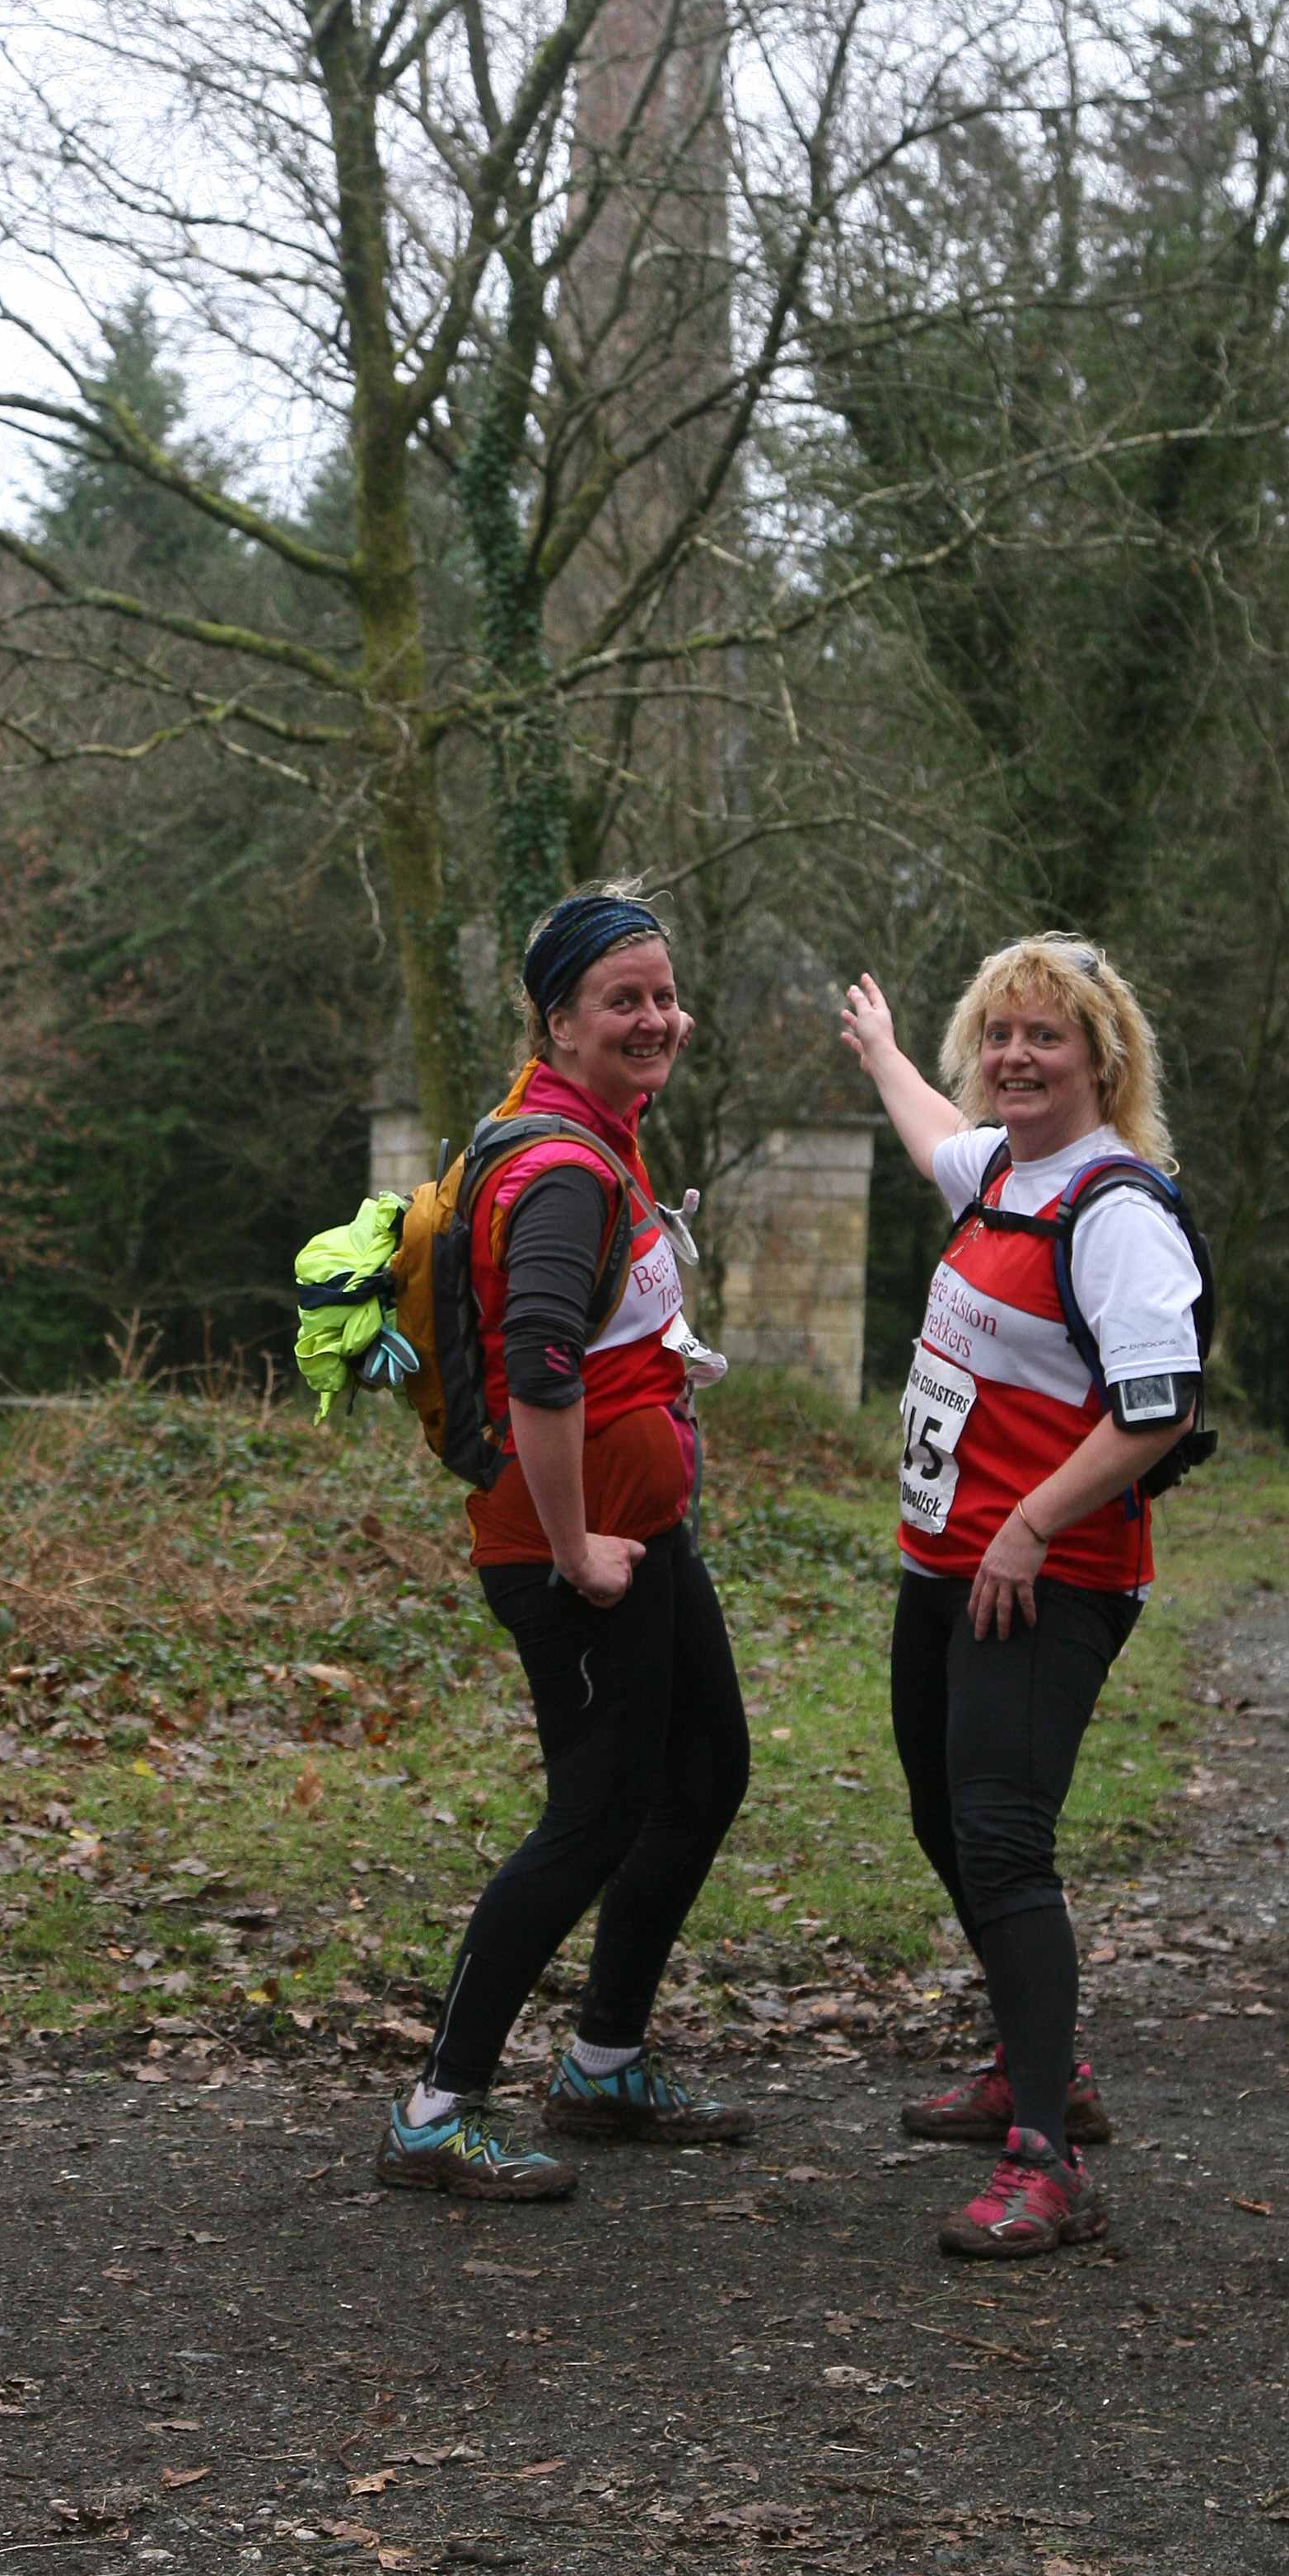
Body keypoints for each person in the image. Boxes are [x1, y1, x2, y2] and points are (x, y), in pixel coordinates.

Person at [376, 886, 751, 2200]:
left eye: (662, 995)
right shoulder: (559, 1170)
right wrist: (578, 1542)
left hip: (642, 1534)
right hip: (572, 1553)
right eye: (622, 1001)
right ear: (560, 1020)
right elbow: (538, 1368)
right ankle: (437, 2110)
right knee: (592, 1821)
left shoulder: (599, 1129)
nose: (655, 1020)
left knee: (705, 1771)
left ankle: (602, 2061)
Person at [840, 936, 1203, 2257]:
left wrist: (1033, 1525)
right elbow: (935, 1132)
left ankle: (1047, 2161)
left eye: (1045, 1036)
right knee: (948, 1821)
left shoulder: (1115, 1211)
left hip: (1045, 1584)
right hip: (947, 1568)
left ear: (1103, 1059)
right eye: (999, 1035)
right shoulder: (1001, 1172)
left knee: (1001, 1839)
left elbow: (1158, 1405)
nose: (1015, 1058)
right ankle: (1033, 2060)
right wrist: (882, 1054)